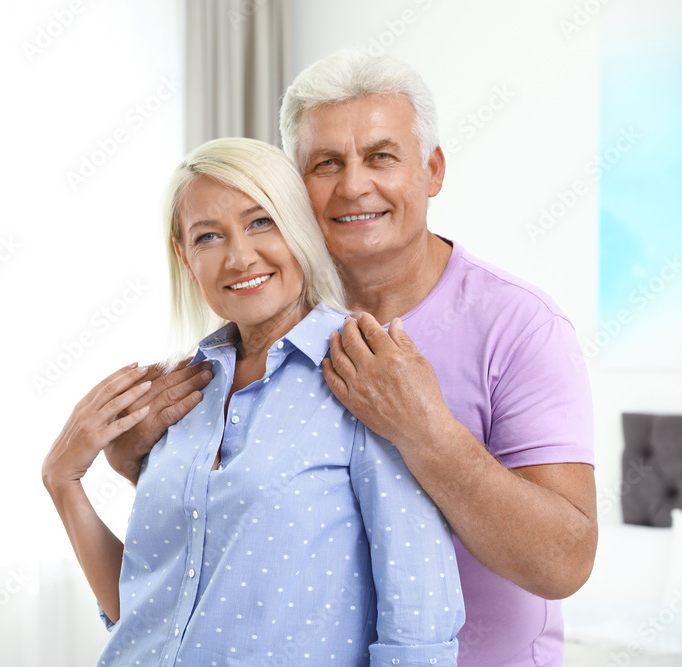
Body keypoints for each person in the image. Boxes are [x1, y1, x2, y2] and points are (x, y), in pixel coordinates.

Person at [104, 52, 598, 666]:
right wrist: (140, 464)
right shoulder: (261, 319)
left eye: (381, 156)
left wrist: (424, 431)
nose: (354, 186)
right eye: (326, 164)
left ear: (432, 170)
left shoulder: (519, 326)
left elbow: (564, 564)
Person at [42, 137, 464, 665]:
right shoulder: (181, 393)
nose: (240, 257)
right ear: (184, 256)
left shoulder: (368, 373)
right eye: (208, 236)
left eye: (261, 222)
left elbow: (420, 623)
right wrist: (63, 482)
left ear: (300, 227)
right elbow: (143, 612)